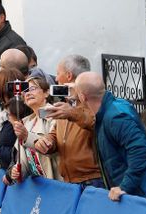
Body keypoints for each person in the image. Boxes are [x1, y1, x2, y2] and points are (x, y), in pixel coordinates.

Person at [74, 71, 146, 202]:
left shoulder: (116, 116)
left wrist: (124, 186)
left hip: (141, 195)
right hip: (134, 193)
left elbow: (140, 150)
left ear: (82, 97)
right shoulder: (111, 108)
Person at [35, 55, 102, 189]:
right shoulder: (67, 103)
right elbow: (56, 134)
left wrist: (72, 112)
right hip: (70, 181)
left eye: (58, 73)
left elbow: (94, 123)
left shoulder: (92, 101)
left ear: (69, 75)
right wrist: (47, 141)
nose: (57, 78)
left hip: (91, 181)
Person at [7, 77, 61, 183]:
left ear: (46, 93)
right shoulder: (26, 123)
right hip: (38, 187)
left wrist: (27, 136)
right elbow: (24, 160)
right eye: (25, 91)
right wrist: (17, 171)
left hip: (56, 184)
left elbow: (51, 149)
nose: (27, 93)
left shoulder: (56, 116)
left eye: (33, 88)